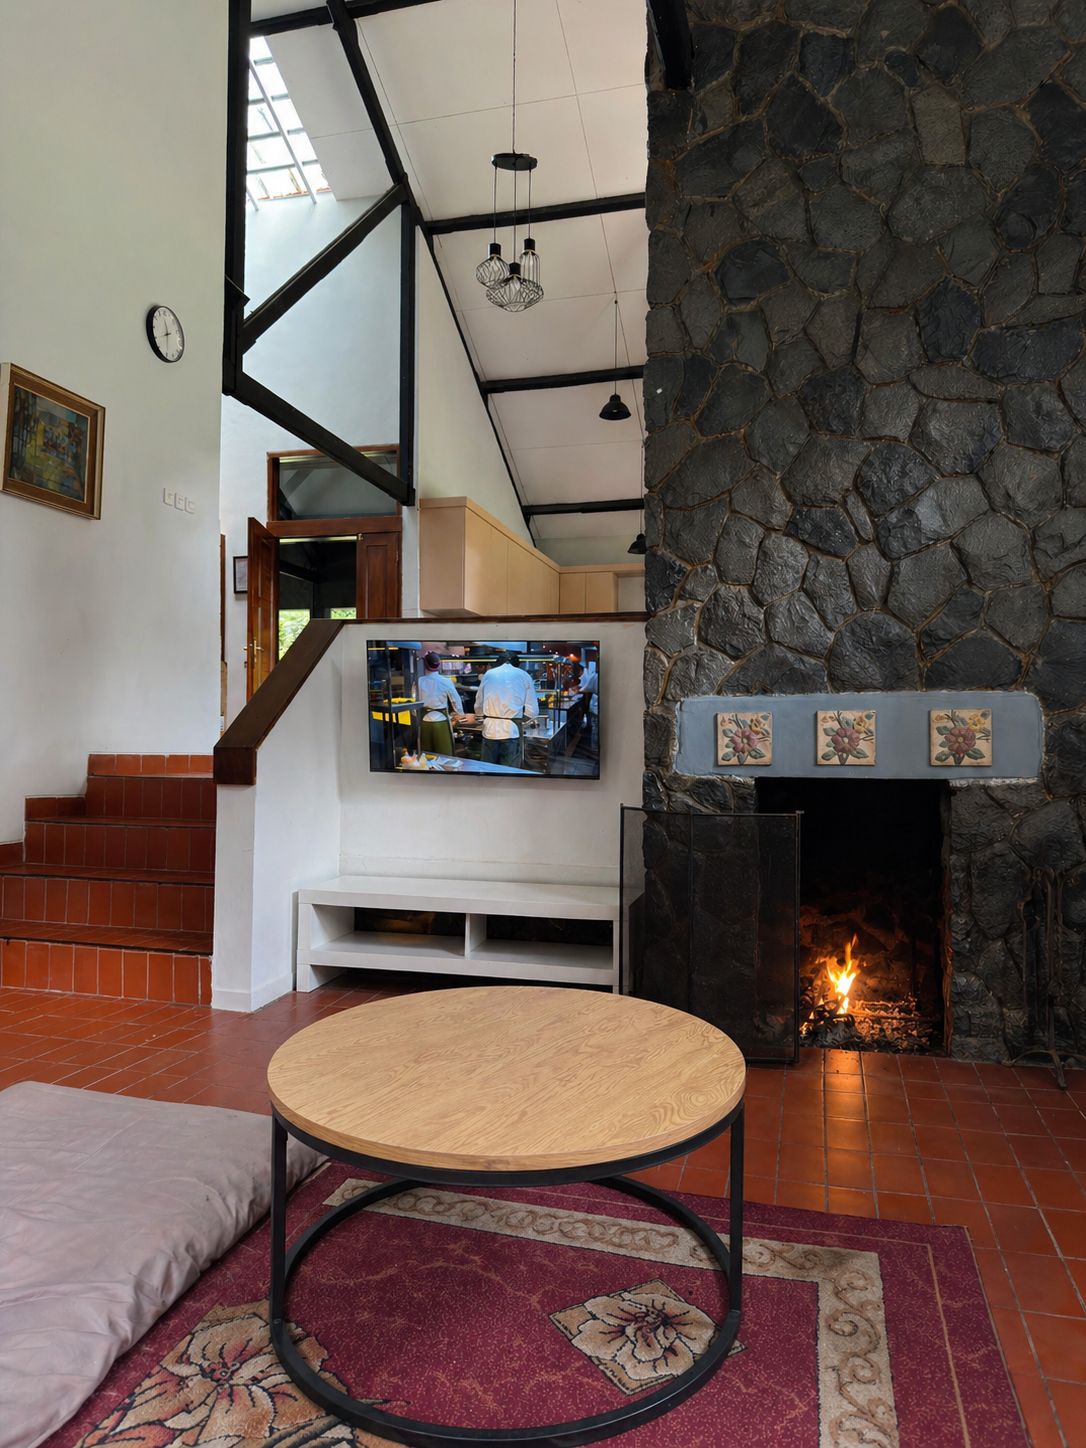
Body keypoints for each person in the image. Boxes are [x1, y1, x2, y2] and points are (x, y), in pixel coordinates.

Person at [474, 650, 537, 768]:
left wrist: (480, 717)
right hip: (511, 731)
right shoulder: (524, 675)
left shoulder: (489, 674)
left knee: (488, 770)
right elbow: (532, 711)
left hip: (489, 730)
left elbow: (478, 703)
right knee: (509, 772)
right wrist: (518, 720)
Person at [416, 651, 463, 756]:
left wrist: (415, 714)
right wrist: (460, 714)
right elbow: (456, 700)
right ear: (439, 665)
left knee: (426, 756)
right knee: (445, 756)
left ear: (425, 664)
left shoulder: (419, 681)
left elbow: (413, 703)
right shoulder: (446, 681)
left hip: (424, 722)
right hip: (441, 721)